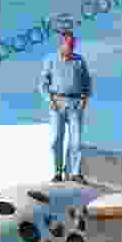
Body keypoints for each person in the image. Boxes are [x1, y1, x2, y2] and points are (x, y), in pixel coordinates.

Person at [38, 30, 92, 184]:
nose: (71, 47)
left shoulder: (79, 61)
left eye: (73, 44)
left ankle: (75, 173)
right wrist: (49, 100)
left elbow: (87, 82)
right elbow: (42, 83)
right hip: (57, 102)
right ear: (62, 44)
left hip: (75, 104)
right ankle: (57, 172)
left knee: (76, 141)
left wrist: (84, 99)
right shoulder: (50, 59)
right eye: (68, 44)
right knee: (56, 139)